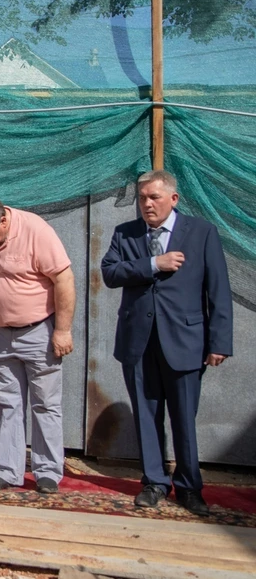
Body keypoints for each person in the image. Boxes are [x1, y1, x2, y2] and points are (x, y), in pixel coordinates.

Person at [100, 170, 232, 517]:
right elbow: (110, 273)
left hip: (186, 342)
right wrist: (152, 263)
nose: (147, 204)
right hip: (137, 343)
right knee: (146, 415)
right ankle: (154, 482)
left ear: (173, 198)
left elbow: (217, 291)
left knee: (184, 419)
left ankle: (189, 487)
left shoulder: (202, 233)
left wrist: (219, 342)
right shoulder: (125, 233)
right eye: (142, 198)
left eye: (154, 197)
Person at [0, 194, 75, 493]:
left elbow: (64, 279)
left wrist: (62, 330)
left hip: (38, 330)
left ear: (3, 220)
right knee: (8, 403)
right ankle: (8, 471)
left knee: (45, 404)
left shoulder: (36, 229)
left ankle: (47, 471)